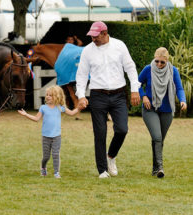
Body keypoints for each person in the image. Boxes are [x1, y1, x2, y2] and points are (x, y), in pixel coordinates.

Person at [76, 21, 141, 178]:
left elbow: (130, 68)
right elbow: (82, 74)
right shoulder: (87, 51)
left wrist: (134, 90)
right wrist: (81, 95)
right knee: (100, 133)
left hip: (119, 94)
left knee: (122, 129)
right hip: (98, 95)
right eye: (91, 36)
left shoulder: (119, 46)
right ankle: (102, 170)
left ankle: (111, 156)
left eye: (96, 36)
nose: (93, 39)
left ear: (105, 33)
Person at [139, 47, 187, 178]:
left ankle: (155, 169)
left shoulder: (173, 71)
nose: (159, 65)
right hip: (150, 109)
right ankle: (160, 167)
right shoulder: (148, 69)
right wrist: (143, 96)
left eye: (162, 62)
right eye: (157, 61)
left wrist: (183, 100)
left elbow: (179, 88)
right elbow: (137, 84)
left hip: (167, 110)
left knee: (159, 140)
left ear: (167, 61)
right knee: (157, 137)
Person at [18, 85, 79, 178]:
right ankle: (43, 167)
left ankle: (56, 173)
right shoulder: (43, 108)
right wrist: (26, 114)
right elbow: (36, 118)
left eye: (50, 95)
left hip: (56, 137)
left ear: (56, 97)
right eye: (47, 94)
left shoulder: (60, 107)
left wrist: (79, 107)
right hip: (46, 137)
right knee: (46, 157)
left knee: (55, 155)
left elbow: (71, 113)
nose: (48, 96)